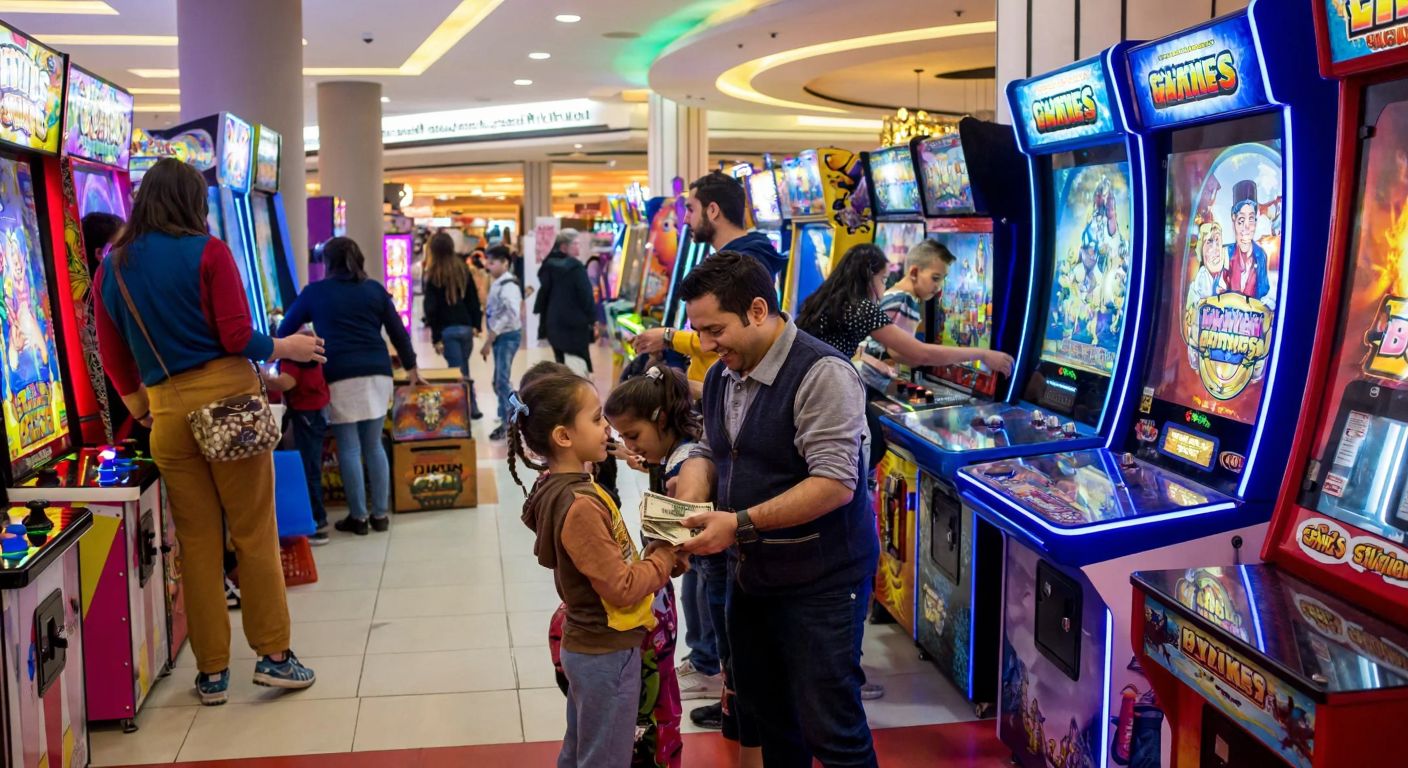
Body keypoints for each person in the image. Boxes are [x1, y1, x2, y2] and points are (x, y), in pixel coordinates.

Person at [92, 157, 324, 705]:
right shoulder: (208, 251)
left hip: (168, 415)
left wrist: (144, 408)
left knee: (195, 546)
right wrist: (286, 347)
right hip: (229, 409)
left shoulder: (113, 267)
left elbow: (113, 354)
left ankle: (212, 673)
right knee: (253, 534)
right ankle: (273, 657)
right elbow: (237, 333)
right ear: (194, 203)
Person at [673, 250, 880, 767]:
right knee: (771, 719)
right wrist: (692, 487)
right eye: (698, 331)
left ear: (759, 310)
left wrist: (738, 523)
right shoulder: (723, 373)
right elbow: (711, 447)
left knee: (831, 729)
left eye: (715, 329)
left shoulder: (822, 373)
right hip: (753, 577)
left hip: (823, 580)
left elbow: (834, 483)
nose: (705, 345)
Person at [513, 369, 684, 768]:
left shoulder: (556, 487)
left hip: (588, 647)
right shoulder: (582, 505)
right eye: (596, 419)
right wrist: (664, 555)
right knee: (605, 757)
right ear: (563, 437)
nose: (607, 427)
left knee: (581, 749)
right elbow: (622, 587)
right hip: (606, 650)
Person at [278, 237, 425, 536]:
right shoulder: (374, 290)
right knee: (373, 445)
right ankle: (380, 515)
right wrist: (412, 368)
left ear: (327, 263)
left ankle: (358, 518)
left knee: (348, 447)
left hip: (339, 374)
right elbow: (398, 332)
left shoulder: (314, 293)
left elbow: (283, 329)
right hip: (377, 372)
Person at [604, 365, 708, 766]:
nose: (630, 444)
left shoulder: (688, 461)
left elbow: (684, 519)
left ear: (660, 418)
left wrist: (664, 552)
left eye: (633, 436)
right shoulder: (678, 447)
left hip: (710, 575)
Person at [632, 171, 788, 388]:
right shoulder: (730, 256)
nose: (685, 219)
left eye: (690, 209)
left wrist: (669, 338)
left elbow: (735, 333)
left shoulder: (745, 262)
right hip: (712, 383)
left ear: (713, 210)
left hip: (727, 385)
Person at [83, 211, 148, 448]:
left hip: (130, 398)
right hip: (120, 406)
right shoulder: (104, 292)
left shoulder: (117, 284)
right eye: (124, 244)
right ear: (101, 254)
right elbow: (113, 360)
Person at [262, 329, 331, 545]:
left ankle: (317, 524)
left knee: (309, 469)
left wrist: (261, 375)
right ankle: (315, 520)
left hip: (307, 413)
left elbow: (285, 383)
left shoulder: (293, 356)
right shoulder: (307, 349)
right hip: (317, 410)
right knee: (311, 467)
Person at [423, 231, 484, 420]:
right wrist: (476, 325)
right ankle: (468, 406)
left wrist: (436, 337)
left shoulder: (434, 274)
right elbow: (473, 300)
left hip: (447, 331)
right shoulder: (462, 269)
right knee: (463, 368)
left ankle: (467, 408)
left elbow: (431, 309)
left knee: (458, 372)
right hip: (465, 328)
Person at [533, 230, 596, 375]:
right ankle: (580, 394)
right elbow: (586, 296)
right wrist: (593, 319)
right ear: (563, 247)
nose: (578, 247)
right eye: (575, 244)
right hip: (575, 325)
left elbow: (544, 295)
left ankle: (563, 391)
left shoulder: (548, 266)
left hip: (553, 323)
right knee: (581, 363)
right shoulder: (576, 268)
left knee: (561, 364)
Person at [480, 245, 524, 441]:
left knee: (501, 381)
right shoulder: (500, 283)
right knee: (499, 380)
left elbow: (510, 314)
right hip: (502, 336)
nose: (489, 266)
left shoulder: (509, 286)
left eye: (493, 262)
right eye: (488, 262)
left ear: (505, 263)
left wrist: (491, 337)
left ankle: (511, 420)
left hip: (506, 336)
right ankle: (505, 415)